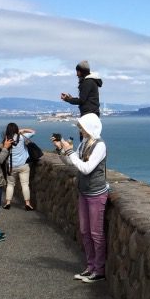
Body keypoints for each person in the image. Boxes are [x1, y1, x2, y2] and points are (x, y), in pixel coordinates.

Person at [54, 112, 110, 283]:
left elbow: (86, 168)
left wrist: (70, 151)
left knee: (96, 233)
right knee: (85, 231)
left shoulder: (100, 145)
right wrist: (62, 151)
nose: (80, 129)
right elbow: (72, 163)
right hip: (84, 191)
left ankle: (99, 270)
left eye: (81, 126)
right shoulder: (85, 142)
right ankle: (90, 265)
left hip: (96, 193)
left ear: (89, 127)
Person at [4, 122, 36, 211]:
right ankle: (27, 204)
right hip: (23, 165)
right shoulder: (21, 137)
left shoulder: (6, 139)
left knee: (10, 184)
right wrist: (23, 130)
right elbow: (33, 132)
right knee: (25, 184)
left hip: (11, 166)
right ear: (16, 129)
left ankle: (8, 203)